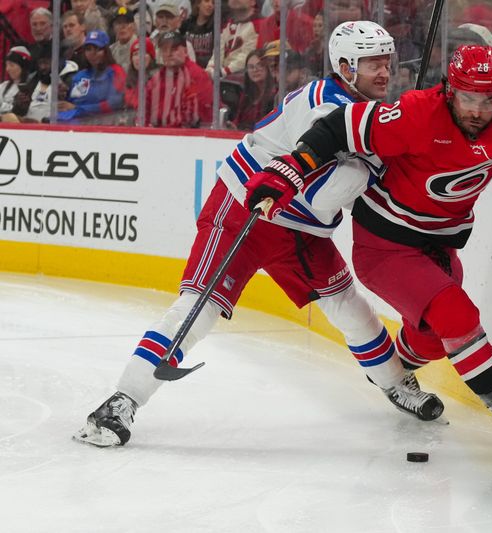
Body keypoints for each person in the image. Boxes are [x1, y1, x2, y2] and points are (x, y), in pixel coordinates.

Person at [74, 21, 443, 448]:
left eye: (387, 62)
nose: (385, 72)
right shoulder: (322, 105)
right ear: (344, 67)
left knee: (347, 304)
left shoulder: (369, 110)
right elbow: (327, 196)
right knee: (199, 307)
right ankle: (121, 401)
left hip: (299, 230)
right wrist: (378, 163)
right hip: (242, 210)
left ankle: (396, 383)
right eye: (372, 64)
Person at [244, 44, 492, 449]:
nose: (477, 110)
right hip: (385, 246)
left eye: (487, 100)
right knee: (456, 313)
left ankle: (392, 369)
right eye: (468, 98)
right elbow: (338, 127)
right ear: (450, 91)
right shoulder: (417, 113)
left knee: (434, 340)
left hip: (438, 246)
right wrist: (288, 171)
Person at [143, 31, 212, 127]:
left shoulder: (196, 75)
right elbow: (144, 110)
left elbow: (190, 119)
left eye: (174, 49)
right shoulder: (156, 79)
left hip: (189, 136)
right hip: (159, 134)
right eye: (164, 50)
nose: (168, 54)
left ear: (185, 51)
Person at [58, 30, 126, 122]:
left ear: (106, 51)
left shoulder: (116, 71)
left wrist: (79, 109)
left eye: (97, 49)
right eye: (88, 49)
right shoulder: (80, 75)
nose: (92, 53)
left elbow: (114, 103)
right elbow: (69, 103)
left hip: (103, 123)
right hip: (72, 119)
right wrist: (62, 96)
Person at [232, 49, 274, 130]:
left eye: (260, 65)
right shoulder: (246, 95)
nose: (255, 70)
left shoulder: (274, 95)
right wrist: (232, 127)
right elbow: (237, 121)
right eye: (251, 67)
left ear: (268, 68)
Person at [0, 47, 32, 115]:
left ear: (23, 67)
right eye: (6, 65)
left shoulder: (31, 87)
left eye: (11, 65)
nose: (7, 69)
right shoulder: (3, 86)